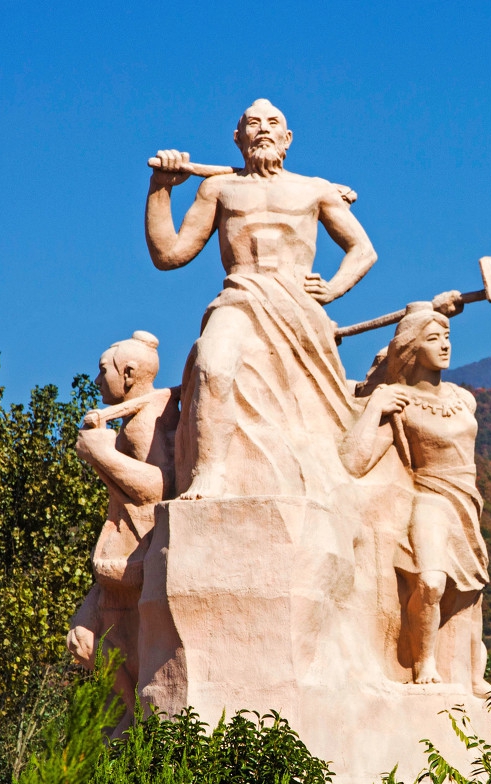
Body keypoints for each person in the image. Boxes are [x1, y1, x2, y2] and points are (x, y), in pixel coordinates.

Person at [145, 99, 377, 499]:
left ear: (288, 139)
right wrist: (160, 188)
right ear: (238, 138)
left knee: (309, 409)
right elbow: (169, 255)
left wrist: (333, 288)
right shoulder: (219, 188)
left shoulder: (315, 189)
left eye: (273, 122)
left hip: (299, 306)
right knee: (211, 364)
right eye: (254, 123)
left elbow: (363, 250)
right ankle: (210, 472)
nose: (264, 129)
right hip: (241, 297)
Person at [340, 303, 491, 693]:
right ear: (411, 347)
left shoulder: (464, 398)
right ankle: (422, 662)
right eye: (433, 338)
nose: (444, 345)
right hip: (429, 499)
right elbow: (354, 462)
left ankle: (472, 674)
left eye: (447, 337)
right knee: (430, 581)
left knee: (469, 591)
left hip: (467, 501)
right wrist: (374, 407)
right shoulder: (400, 403)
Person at [69, 331, 179, 734]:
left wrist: (100, 453)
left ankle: (134, 718)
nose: (98, 380)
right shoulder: (135, 418)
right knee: (81, 641)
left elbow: (159, 485)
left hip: (136, 557)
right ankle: (131, 713)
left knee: (87, 641)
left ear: (129, 373)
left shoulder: (144, 422)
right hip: (118, 564)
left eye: (105, 371)